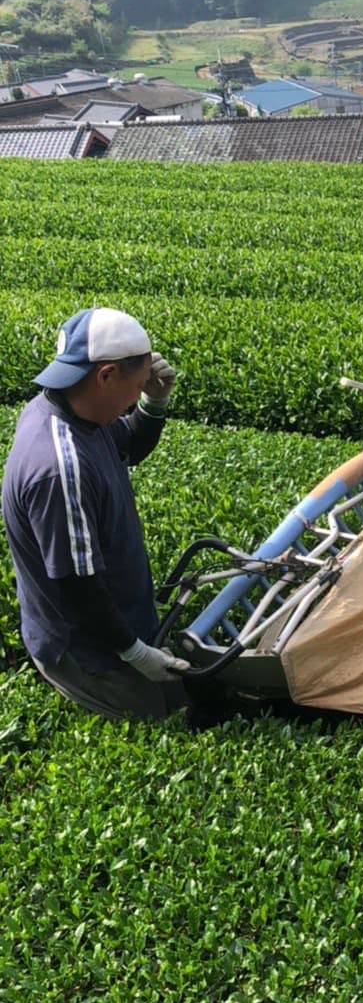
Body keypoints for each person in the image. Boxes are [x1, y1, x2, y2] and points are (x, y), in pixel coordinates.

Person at [2, 305, 190, 720]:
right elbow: (75, 580)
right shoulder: (58, 469)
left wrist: (153, 402)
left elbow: (128, 447)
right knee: (161, 718)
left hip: (117, 620)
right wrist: (134, 652)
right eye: (136, 385)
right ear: (106, 376)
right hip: (85, 646)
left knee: (183, 698)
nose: (132, 400)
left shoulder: (74, 406)